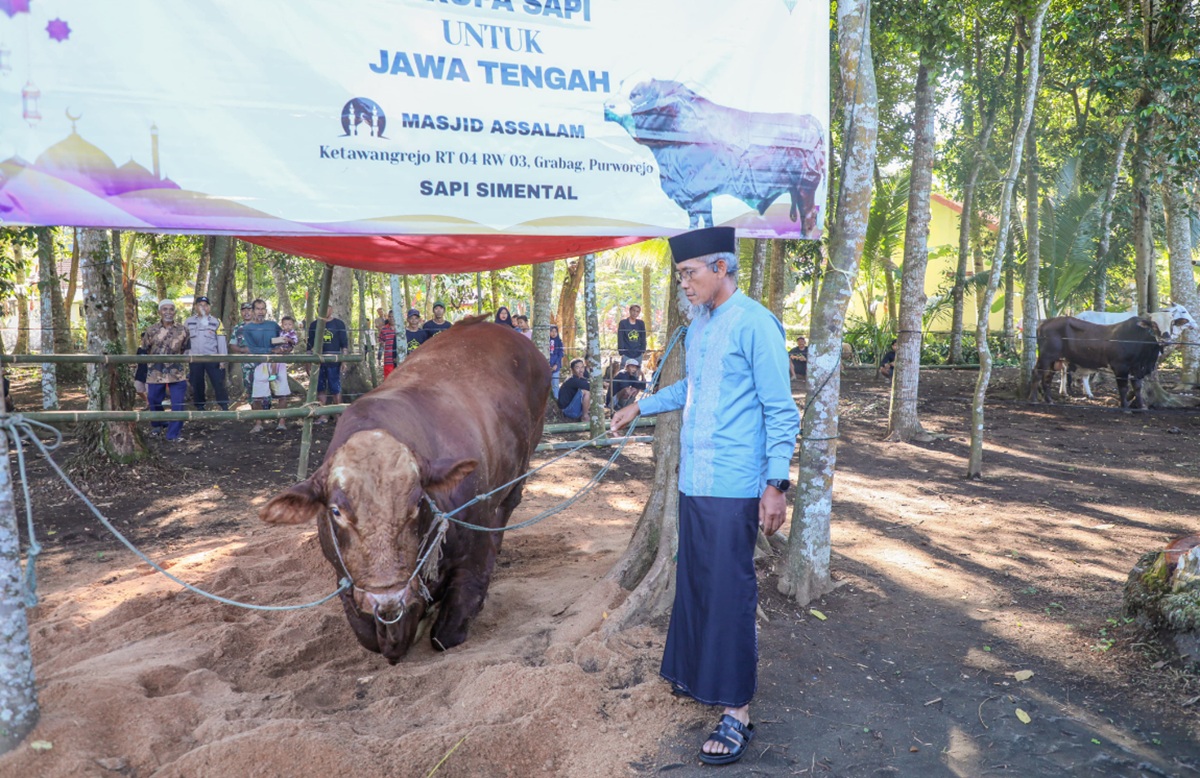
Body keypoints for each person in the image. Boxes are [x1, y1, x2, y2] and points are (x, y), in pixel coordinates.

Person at [611, 226, 799, 766]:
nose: (684, 285)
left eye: (689, 274)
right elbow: (690, 388)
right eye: (679, 276)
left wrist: (775, 485)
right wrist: (639, 407)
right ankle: (698, 679)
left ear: (722, 267)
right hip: (695, 480)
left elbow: (780, 411)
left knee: (729, 593)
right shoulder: (699, 325)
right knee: (696, 585)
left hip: (737, 485)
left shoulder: (756, 324)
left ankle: (737, 712)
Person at [142, 300, 191, 442]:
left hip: (177, 373)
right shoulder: (151, 330)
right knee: (153, 400)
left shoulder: (183, 330)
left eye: (171, 309)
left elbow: (185, 349)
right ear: (159, 312)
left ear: (175, 312)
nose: (168, 312)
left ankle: (173, 434)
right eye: (165, 309)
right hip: (156, 373)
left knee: (178, 403)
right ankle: (158, 424)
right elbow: (145, 350)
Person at [243, 299, 291, 433]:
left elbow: (281, 339)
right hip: (260, 363)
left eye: (263, 309)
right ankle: (258, 423)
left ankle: (281, 422)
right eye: (257, 309)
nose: (260, 311)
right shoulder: (247, 328)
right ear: (252, 311)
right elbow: (252, 348)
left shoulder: (273, 325)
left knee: (282, 394)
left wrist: (286, 346)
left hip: (277, 362)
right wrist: (271, 349)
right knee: (257, 395)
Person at [184, 295, 229, 411]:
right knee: (197, 382)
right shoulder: (188, 322)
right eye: (200, 305)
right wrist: (185, 357)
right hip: (195, 359)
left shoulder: (216, 322)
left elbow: (221, 341)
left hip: (212, 358)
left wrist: (222, 360)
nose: (203, 307)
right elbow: (184, 341)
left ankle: (224, 405)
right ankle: (200, 406)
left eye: (205, 305)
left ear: (209, 307)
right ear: (195, 307)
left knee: (218, 382)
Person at [306, 305, 349, 421]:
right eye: (320, 307)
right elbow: (309, 346)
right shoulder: (314, 325)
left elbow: (344, 345)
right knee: (320, 388)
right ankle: (322, 414)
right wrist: (308, 363)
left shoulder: (339, 324)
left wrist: (344, 361)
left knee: (336, 388)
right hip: (318, 361)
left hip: (334, 361)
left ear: (331, 309)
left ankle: (338, 415)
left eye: (327, 307)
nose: (324, 310)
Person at [228, 302, 257, 399]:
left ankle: (266, 412)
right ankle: (254, 412)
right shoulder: (238, 328)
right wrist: (242, 349)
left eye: (249, 310)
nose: (246, 312)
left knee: (264, 391)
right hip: (246, 365)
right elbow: (232, 344)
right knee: (250, 390)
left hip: (262, 364)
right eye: (244, 310)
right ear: (241, 312)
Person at [379, 313, 398, 378]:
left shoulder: (402, 328)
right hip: (388, 358)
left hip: (400, 358)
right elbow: (381, 341)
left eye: (393, 316)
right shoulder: (384, 329)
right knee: (388, 378)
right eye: (390, 317)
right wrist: (383, 344)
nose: (391, 318)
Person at [548, 325, 564, 396]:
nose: (553, 333)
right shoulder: (546, 341)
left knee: (555, 384)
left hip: (555, 366)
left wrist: (556, 364)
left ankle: (556, 398)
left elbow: (560, 354)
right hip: (547, 364)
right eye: (551, 331)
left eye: (555, 331)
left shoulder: (559, 342)